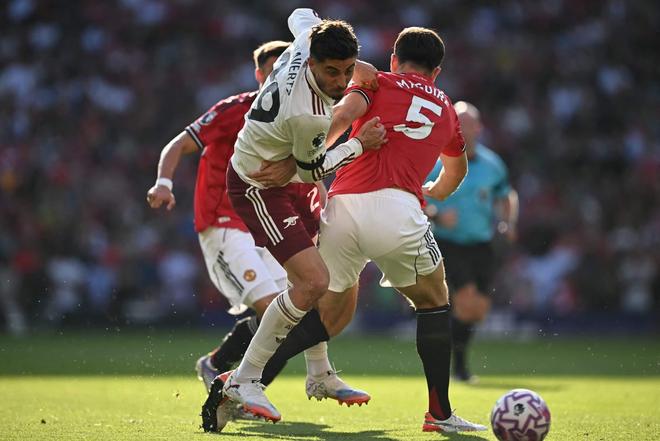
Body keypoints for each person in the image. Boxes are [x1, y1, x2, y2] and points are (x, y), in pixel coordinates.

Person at [235, 26, 488, 433]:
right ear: (437, 72)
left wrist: (301, 163)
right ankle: (439, 414)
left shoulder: (375, 82)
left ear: (394, 60)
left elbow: (339, 117)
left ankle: (242, 379)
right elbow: (456, 171)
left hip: (342, 208)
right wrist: (434, 191)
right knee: (435, 301)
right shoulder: (445, 107)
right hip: (398, 211)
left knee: (326, 315)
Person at [145, 41, 363, 406]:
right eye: (272, 70)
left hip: (268, 223)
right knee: (273, 306)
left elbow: (307, 168)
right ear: (260, 75)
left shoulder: (301, 110)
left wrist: (322, 201)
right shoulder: (236, 109)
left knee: (302, 297)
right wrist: (163, 183)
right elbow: (179, 144)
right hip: (225, 225)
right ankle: (229, 376)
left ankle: (315, 373)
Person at [216, 8, 387, 424]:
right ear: (311, 62)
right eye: (332, 72)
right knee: (313, 282)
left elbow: (299, 13)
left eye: (347, 70)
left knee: (313, 276)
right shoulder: (309, 114)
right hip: (259, 185)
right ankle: (244, 379)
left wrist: (359, 67)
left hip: (287, 179)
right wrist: (360, 143)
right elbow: (313, 170)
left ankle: (319, 373)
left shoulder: (309, 37)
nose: (341, 82)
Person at [425, 101, 518, 383]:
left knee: (478, 310)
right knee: (466, 301)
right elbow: (414, 196)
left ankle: (444, 339)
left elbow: (506, 195)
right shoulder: (436, 162)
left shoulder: (492, 164)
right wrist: (437, 215)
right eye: (458, 122)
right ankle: (458, 368)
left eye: (468, 123)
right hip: (448, 243)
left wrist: (508, 222)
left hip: (482, 243)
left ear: (478, 127)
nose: (463, 128)